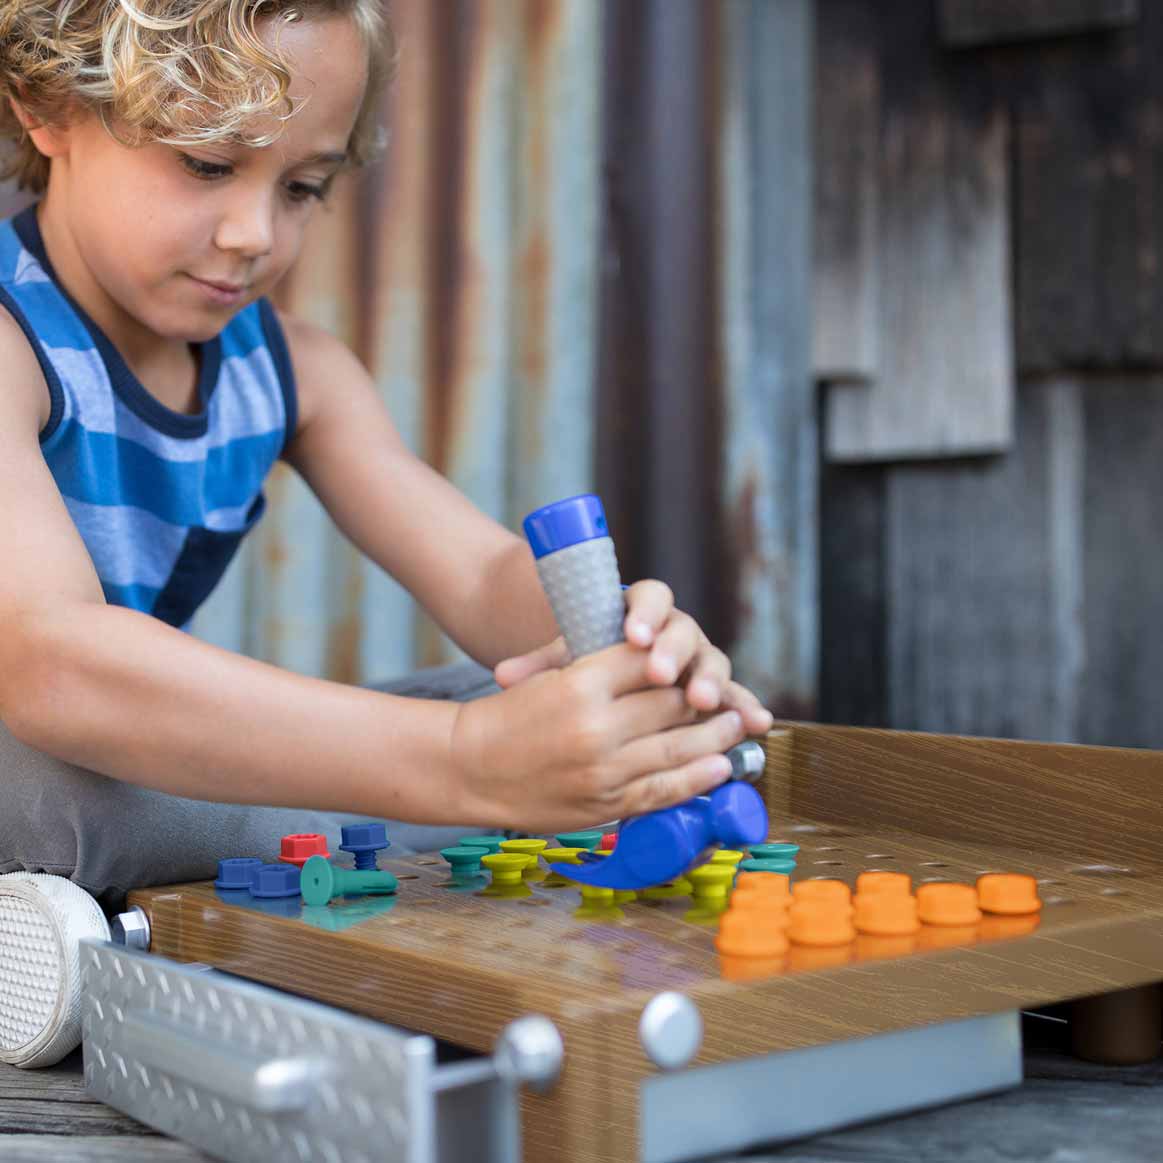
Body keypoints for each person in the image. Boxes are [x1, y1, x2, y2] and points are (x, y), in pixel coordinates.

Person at [0, 0, 772, 905]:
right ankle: (411, 811)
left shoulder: (297, 373)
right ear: (47, 106)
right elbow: (51, 662)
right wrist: (463, 761)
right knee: (55, 786)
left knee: (507, 698)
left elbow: (481, 576)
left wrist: (630, 667)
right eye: (207, 163)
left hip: (133, 768)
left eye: (302, 188)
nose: (254, 234)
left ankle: (397, 809)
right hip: (38, 764)